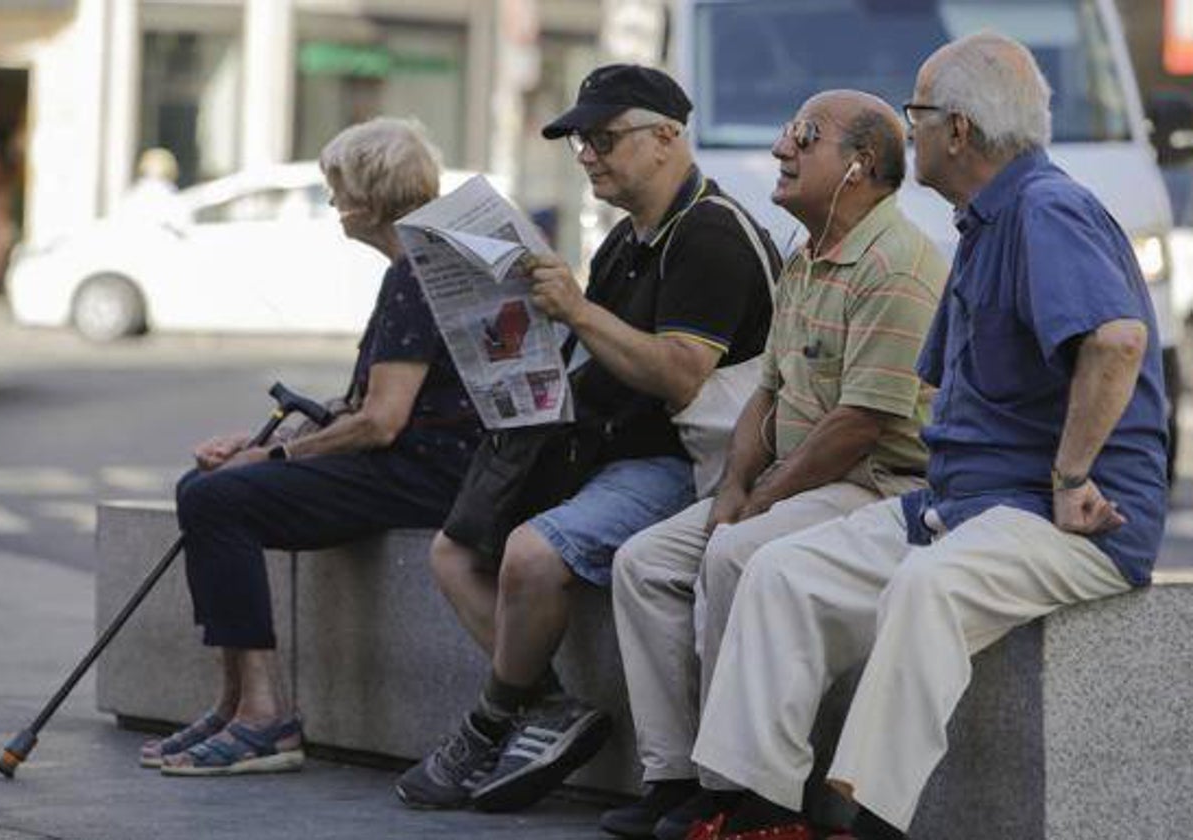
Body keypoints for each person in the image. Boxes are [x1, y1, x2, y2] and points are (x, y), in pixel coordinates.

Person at [686, 32, 1169, 840]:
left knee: (927, 587)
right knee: (780, 571)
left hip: (1067, 518)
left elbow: (1117, 341)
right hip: (967, 502)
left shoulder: (1047, 209)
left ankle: (866, 819)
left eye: (915, 115)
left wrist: (1072, 474)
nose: (906, 134)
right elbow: (941, 383)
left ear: (959, 131)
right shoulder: (983, 223)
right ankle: (762, 812)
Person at [396, 64, 779, 811]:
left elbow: (680, 376)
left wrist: (574, 310)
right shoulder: (626, 239)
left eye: (605, 138)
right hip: (599, 445)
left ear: (668, 138)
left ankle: (489, 722)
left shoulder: (709, 235)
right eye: (580, 142)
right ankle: (548, 708)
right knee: (452, 551)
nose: (589, 156)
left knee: (533, 554)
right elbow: (592, 353)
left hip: (687, 462)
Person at [603, 90, 948, 840]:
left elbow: (861, 424)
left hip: (873, 486)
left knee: (735, 552)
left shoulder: (898, 265)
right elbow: (766, 393)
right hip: (793, 481)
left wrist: (756, 503)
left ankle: (751, 795)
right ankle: (675, 776)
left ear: (858, 167)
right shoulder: (806, 253)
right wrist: (733, 485)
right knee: (642, 563)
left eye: (804, 137)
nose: (780, 150)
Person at [141, 117, 483, 776]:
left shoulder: (415, 273)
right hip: (427, 462)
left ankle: (266, 717)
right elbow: (368, 405)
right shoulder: (428, 260)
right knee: (202, 489)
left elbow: (382, 422)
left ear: (366, 200)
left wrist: (270, 458)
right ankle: (236, 700)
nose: (331, 204)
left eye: (336, 189)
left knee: (218, 501)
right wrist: (269, 439)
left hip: (427, 472)